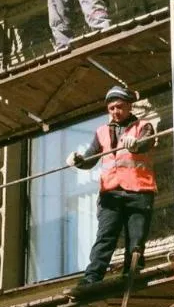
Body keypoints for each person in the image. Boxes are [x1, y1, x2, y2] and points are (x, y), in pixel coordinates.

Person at [66, 86, 156, 285]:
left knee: (136, 240)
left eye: (120, 107)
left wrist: (137, 143)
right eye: (111, 108)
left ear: (129, 106)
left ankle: (131, 275)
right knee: (105, 237)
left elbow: (147, 142)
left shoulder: (143, 126)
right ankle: (92, 278)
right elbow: (91, 157)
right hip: (111, 193)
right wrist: (78, 160)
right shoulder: (102, 132)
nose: (115, 111)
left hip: (139, 191)